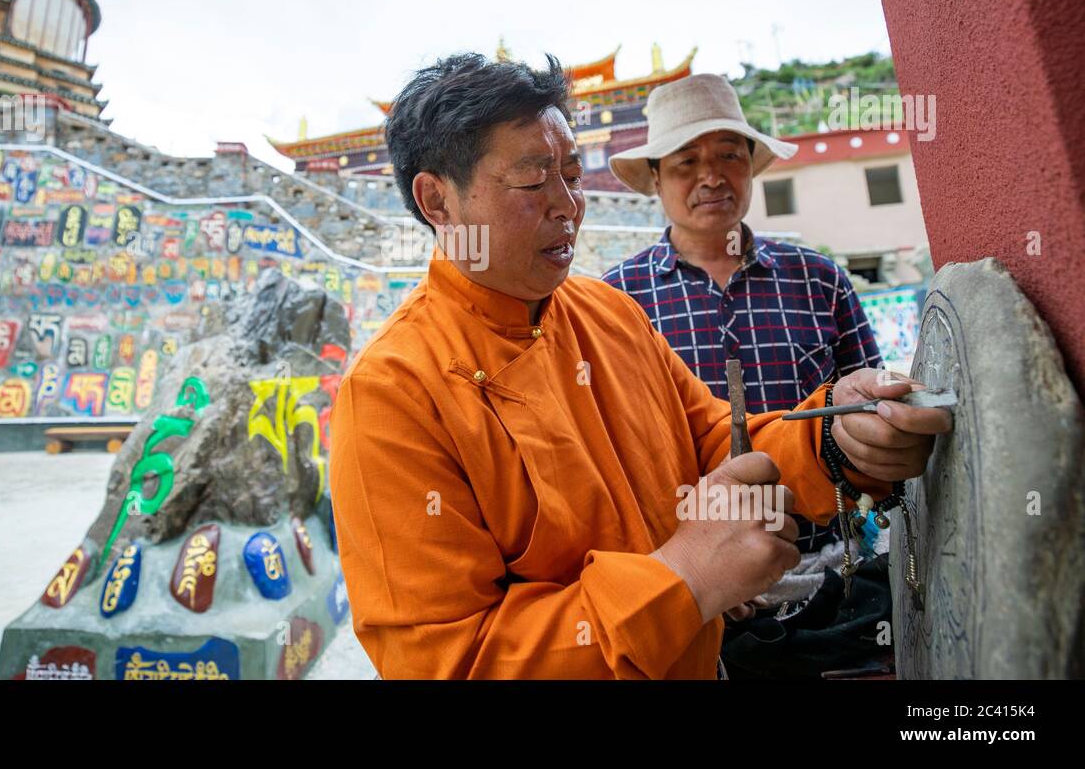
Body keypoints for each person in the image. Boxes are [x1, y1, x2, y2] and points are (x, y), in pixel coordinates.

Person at [327, 53, 948, 679]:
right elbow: (446, 661)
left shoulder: (608, 312)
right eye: (534, 181)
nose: (568, 205)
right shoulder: (392, 392)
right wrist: (682, 579)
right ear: (438, 200)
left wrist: (832, 440)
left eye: (571, 175)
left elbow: (714, 443)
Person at [601, 74, 888, 676]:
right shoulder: (615, 302)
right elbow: (614, 457)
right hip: (696, 595)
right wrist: (694, 571)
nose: (711, 176)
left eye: (729, 155)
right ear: (655, 178)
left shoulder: (817, 278)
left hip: (835, 574)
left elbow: (871, 417)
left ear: (752, 168)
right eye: (687, 162)